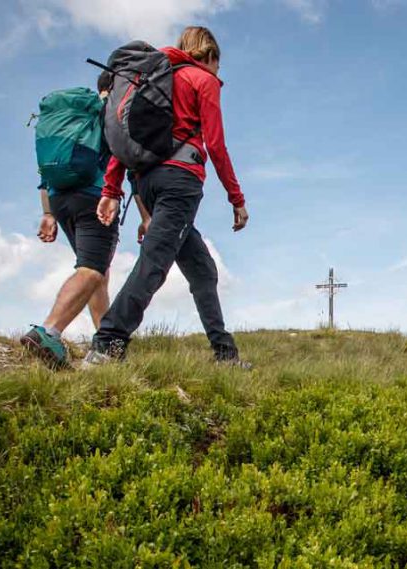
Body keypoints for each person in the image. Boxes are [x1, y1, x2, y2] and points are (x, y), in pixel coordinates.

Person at [82, 26, 250, 368]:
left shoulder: (153, 82)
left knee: (202, 270)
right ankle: (107, 343)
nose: (219, 71)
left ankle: (224, 354)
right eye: (218, 63)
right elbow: (216, 145)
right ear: (212, 56)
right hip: (180, 182)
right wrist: (237, 199)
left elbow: (125, 141)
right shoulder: (203, 81)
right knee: (154, 263)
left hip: (147, 182)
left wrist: (111, 189)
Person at [21, 72, 151, 369]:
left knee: (98, 272)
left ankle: (103, 345)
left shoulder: (73, 119)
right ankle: (48, 331)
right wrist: (146, 217)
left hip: (60, 199)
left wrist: (48, 214)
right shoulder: (110, 116)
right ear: (117, 88)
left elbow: (44, 175)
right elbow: (127, 169)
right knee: (91, 270)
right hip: (94, 197)